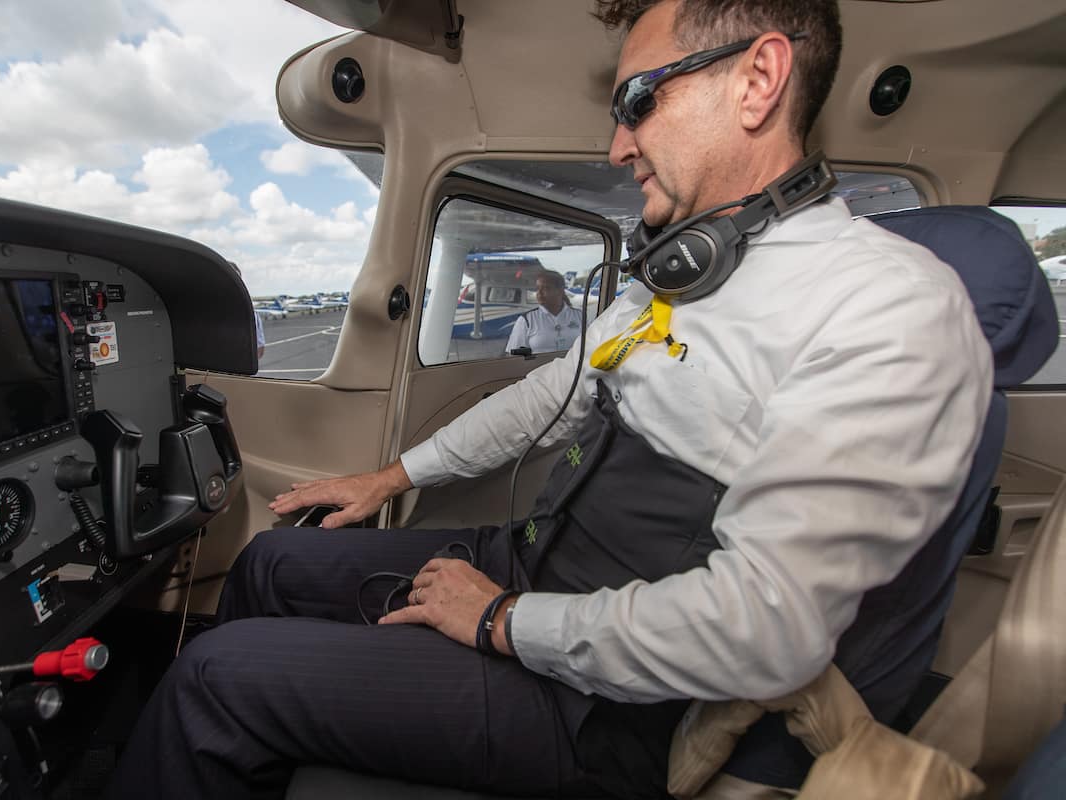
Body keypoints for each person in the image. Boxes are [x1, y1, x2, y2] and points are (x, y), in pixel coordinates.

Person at [107, 1, 991, 798]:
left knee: (215, 679)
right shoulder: (676, 276)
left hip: (608, 707)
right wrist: (387, 476)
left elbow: (765, 630)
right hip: (532, 563)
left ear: (757, 79)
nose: (618, 145)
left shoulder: (890, 309)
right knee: (269, 563)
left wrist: (497, 619)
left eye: (638, 101)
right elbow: (548, 402)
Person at [506, 270, 584, 354]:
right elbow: (513, 355)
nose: (539, 293)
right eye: (537, 288)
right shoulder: (526, 320)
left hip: (574, 367)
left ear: (560, 290)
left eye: (546, 288)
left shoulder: (580, 316)